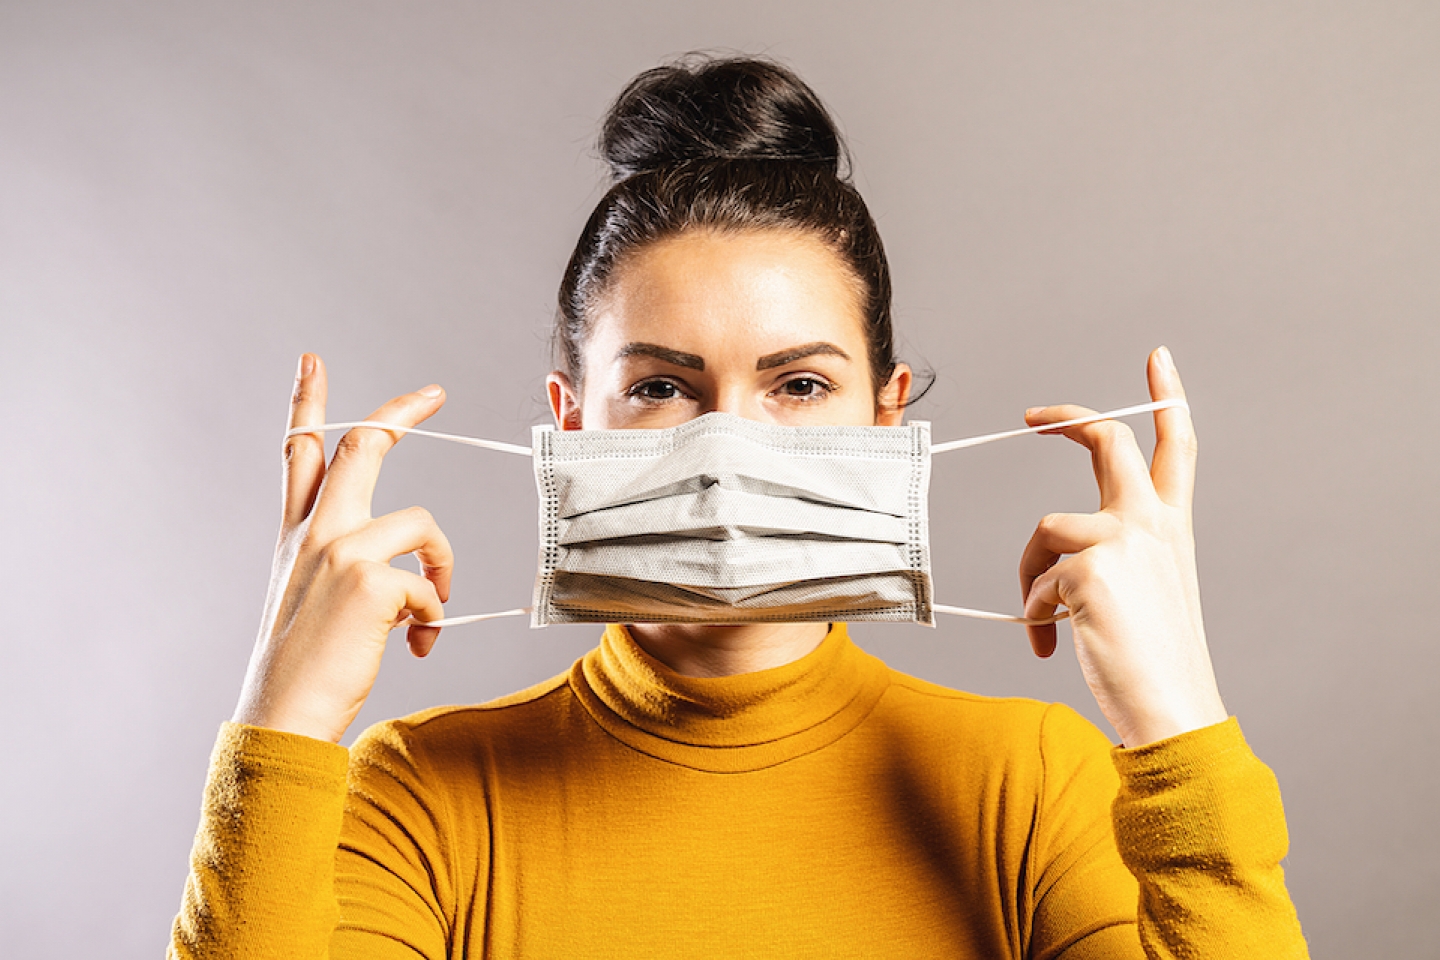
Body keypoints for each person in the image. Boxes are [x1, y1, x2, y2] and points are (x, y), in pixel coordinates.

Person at [170, 56, 1308, 958]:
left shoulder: (1034, 785)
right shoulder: (422, 792)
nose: (727, 448)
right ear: (573, 423)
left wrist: (1183, 730)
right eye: (662, 386)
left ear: (885, 414)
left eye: (799, 385)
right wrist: (282, 724)